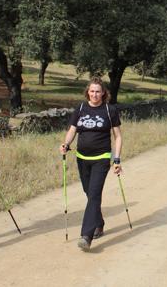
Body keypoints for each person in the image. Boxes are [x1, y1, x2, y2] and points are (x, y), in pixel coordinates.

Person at [60, 77, 123, 251]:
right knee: (90, 194)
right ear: (88, 92)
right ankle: (99, 222)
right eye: (92, 91)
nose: (95, 94)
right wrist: (66, 144)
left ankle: (86, 235)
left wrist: (116, 159)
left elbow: (118, 136)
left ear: (103, 93)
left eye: (98, 91)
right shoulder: (80, 108)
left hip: (101, 158)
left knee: (94, 194)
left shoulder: (109, 110)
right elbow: (73, 129)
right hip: (82, 158)